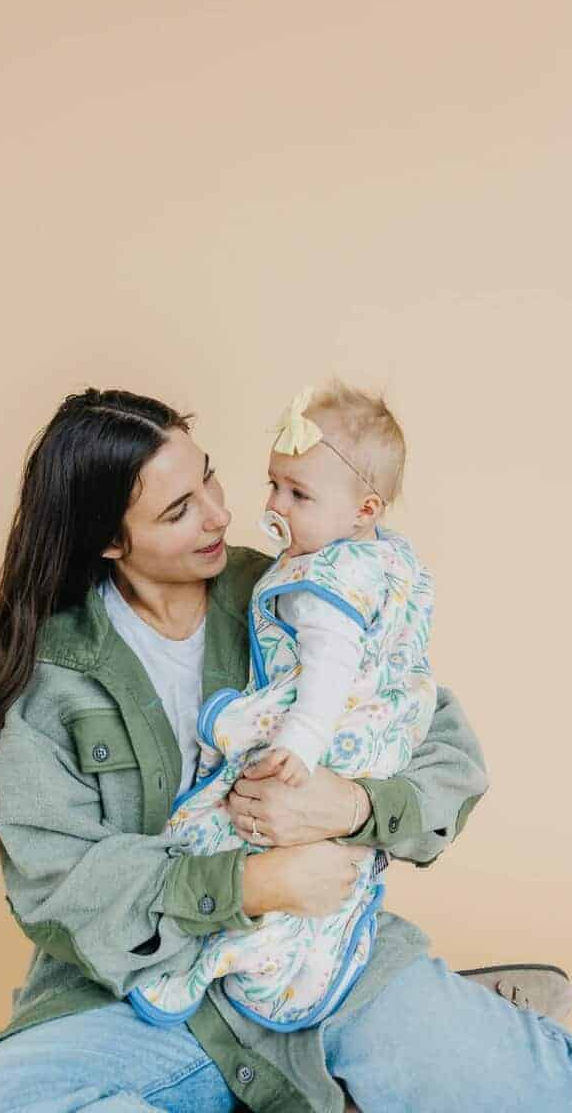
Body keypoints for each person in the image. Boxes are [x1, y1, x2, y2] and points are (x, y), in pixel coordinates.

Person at [0, 388, 572, 1113]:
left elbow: (441, 743)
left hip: (327, 955)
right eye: (178, 510)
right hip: (136, 996)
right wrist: (254, 883)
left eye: (208, 477)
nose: (219, 514)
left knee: (543, 1091)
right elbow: (61, 884)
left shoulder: (296, 589)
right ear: (109, 541)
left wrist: (352, 806)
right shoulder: (55, 678)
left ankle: (422, 1040)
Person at [129, 381, 438, 1029]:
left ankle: (245, 962)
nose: (267, 506)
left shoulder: (320, 582)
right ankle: (279, 962)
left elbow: (330, 674)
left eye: (298, 494)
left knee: (226, 815)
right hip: (364, 746)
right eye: (274, 484)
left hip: (327, 738)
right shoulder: (381, 561)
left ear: (364, 509)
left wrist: (306, 749)